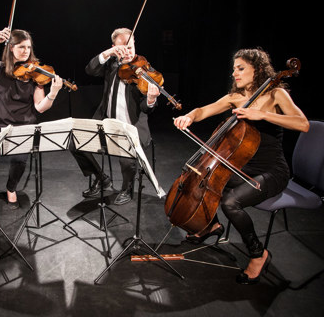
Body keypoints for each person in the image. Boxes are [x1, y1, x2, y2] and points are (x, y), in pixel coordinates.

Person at [173, 48, 309, 284]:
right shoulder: (235, 97)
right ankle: (210, 226)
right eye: (234, 68)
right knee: (210, 181)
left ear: (256, 69)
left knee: (230, 202)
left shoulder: (276, 94)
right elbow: (205, 110)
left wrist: (264, 116)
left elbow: (303, 124)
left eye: (241, 68)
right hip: (245, 169)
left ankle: (258, 254)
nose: (234, 73)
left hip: (272, 172)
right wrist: (190, 116)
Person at [0, 27, 63, 209]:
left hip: (23, 127)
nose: (26, 51)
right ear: (10, 48)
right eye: (21, 47)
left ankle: (11, 188)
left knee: (19, 160)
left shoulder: (35, 74)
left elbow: (40, 107)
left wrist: (53, 93)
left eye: (28, 47)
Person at [70, 27, 160, 205]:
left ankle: (127, 188)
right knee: (75, 143)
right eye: (122, 48)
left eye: (131, 47)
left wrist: (150, 99)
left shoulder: (144, 70)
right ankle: (102, 178)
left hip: (131, 126)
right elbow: (90, 69)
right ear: (114, 48)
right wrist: (108, 53)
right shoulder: (110, 65)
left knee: (127, 159)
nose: (128, 52)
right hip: (106, 122)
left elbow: (146, 108)